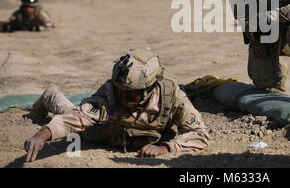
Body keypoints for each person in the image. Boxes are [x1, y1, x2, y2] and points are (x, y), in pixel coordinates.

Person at [24, 47, 210, 162]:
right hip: (95, 133)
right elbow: (73, 119)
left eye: (131, 91)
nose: (123, 94)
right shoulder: (108, 94)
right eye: (120, 88)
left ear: (150, 87)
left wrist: (166, 148)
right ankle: (50, 95)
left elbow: (200, 134)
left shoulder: (171, 97)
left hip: (145, 141)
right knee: (66, 110)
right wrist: (41, 136)